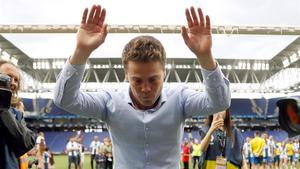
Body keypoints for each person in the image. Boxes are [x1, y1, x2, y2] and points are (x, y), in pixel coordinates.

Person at [53, 4, 230, 169]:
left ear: (165, 75)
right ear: (126, 76)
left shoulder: (180, 98)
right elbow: (65, 99)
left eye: (153, 80)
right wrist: (81, 52)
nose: (145, 88)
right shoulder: (110, 100)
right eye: (137, 80)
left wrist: (205, 56)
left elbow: (220, 103)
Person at [0, 59, 36, 169]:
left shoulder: (16, 114)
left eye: (16, 80)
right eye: (8, 77)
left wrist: (3, 109)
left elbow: (27, 142)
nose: (13, 82)